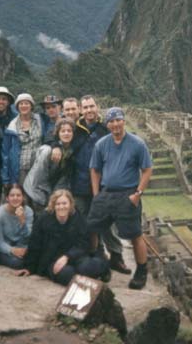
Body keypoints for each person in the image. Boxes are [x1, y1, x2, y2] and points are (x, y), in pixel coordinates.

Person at [59, 95, 130, 275]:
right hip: (80, 185)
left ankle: (116, 256)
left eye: (92, 106)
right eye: (86, 107)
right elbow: (59, 137)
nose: (89, 110)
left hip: (105, 184)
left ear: (97, 107)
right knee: (83, 224)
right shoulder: (77, 129)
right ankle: (91, 257)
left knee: (107, 222)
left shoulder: (105, 128)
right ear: (81, 110)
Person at [87, 107, 153, 290]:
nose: (115, 124)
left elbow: (147, 170)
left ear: (123, 121)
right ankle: (97, 261)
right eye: (111, 121)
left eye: (118, 120)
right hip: (106, 193)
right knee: (92, 228)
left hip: (128, 193)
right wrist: (96, 194)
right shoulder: (102, 144)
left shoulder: (137, 144)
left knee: (135, 234)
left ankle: (141, 271)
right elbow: (95, 169)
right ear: (107, 124)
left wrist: (137, 194)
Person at [15, 189, 109, 285]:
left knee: (86, 267)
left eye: (64, 203)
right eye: (58, 204)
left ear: (70, 204)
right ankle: (88, 276)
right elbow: (35, 243)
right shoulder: (43, 220)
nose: (61, 207)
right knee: (67, 275)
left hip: (74, 256)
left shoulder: (78, 219)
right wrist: (29, 267)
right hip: (52, 259)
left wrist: (67, 257)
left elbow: (83, 243)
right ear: (53, 205)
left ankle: (104, 268)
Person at [23, 118, 76, 212]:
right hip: (35, 190)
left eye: (69, 131)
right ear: (57, 133)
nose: (66, 133)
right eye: (63, 131)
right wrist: (48, 197)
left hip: (49, 192)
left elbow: (63, 178)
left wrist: (55, 196)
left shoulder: (70, 152)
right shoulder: (47, 150)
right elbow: (39, 176)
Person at [0, 93, 44, 190]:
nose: (24, 106)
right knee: (23, 198)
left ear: (31, 105)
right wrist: (6, 177)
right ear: (17, 107)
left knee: (38, 198)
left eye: (27, 103)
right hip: (20, 168)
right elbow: (6, 153)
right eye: (21, 104)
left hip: (37, 167)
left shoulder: (41, 120)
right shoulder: (12, 126)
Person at [0, 184, 33, 269]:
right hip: (7, 247)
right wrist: (12, 250)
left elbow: (28, 236)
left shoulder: (28, 211)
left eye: (18, 195)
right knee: (17, 263)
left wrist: (22, 221)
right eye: (12, 195)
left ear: (23, 197)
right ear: (7, 198)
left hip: (22, 244)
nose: (15, 198)